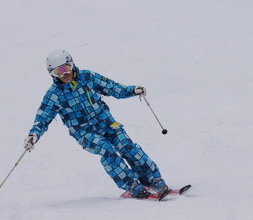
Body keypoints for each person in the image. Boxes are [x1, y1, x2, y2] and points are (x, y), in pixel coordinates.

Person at [23, 49, 170, 198]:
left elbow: (112, 87)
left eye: (65, 68)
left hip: (106, 123)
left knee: (126, 145)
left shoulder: (88, 77)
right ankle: (132, 185)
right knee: (107, 150)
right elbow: (43, 117)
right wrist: (33, 134)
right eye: (57, 72)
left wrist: (132, 90)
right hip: (85, 133)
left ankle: (152, 179)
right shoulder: (54, 95)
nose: (63, 74)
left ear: (72, 64)